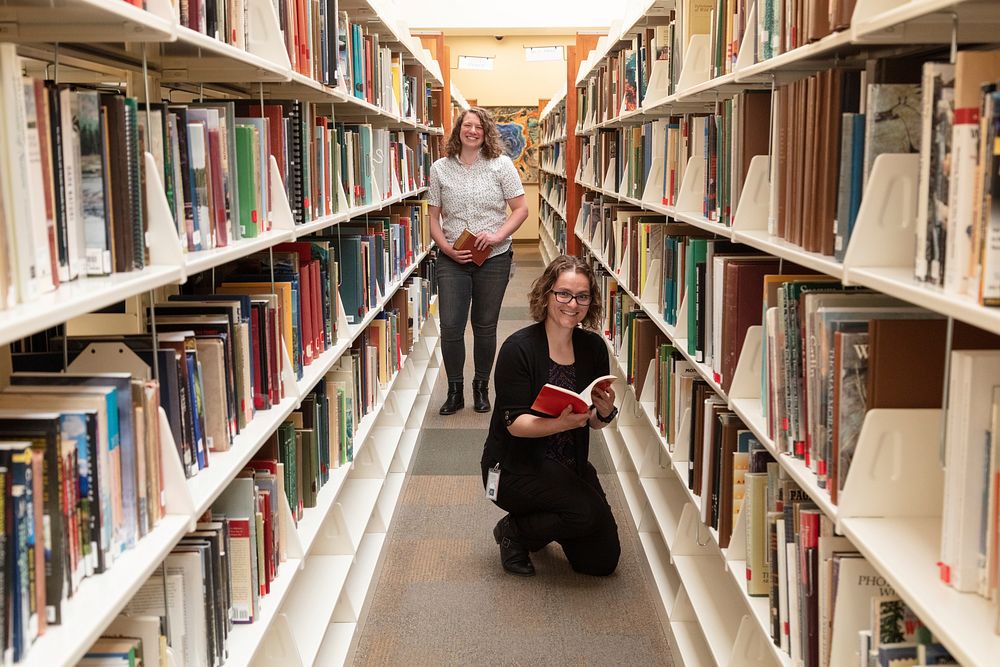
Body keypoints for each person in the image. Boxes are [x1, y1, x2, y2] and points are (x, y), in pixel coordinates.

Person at [481, 255, 620, 577]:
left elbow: (594, 423)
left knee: (600, 563)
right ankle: (515, 532)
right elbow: (514, 426)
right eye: (563, 294)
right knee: (585, 513)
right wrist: (561, 424)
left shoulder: (593, 348)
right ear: (546, 294)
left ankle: (545, 519)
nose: (573, 304)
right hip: (515, 467)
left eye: (582, 296)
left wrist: (605, 413)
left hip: (568, 463)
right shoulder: (518, 348)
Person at [428, 107, 529, 416]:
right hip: (452, 258)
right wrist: (445, 247)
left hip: (494, 259)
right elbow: (433, 216)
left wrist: (498, 236)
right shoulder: (440, 168)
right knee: (451, 326)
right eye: (466, 125)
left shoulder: (501, 166)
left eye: (478, 127)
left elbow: (521, 209)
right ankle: (454, 390)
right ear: (459, 129)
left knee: (485, 326)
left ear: (486, 133)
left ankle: (481, 387)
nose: (472, 131)